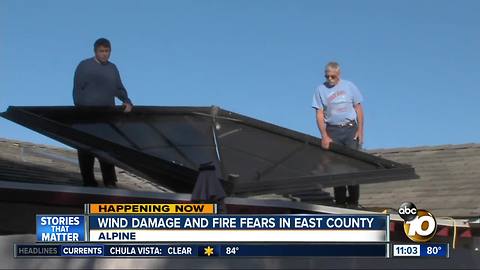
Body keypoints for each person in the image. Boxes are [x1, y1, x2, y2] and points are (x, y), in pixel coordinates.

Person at [72, 38, 133, 187]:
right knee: (86, 149)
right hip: (87, 116)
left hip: (107, 117)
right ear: (95, 51)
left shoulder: (112, 68)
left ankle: (110, 182)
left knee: (107, 150)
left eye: (107, 51)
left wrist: (127, 101)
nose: (105, 54)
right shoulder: (84, 66)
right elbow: (77, 90)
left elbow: (119, 89)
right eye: (102, 51)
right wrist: (81, 109)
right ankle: (88, 182)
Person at [312, 61, 364, 207]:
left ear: (339, 75)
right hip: (333, 130)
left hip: (350, 129)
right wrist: (324, 135)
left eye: (333, 77)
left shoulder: (349, 86)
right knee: (336, 169)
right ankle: (340, 203)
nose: (330, 80)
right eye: (327, 76)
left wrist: (360, 131)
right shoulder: (320, 89)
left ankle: (353, 202)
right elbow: (319, 113)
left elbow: (359, 108)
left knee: (353, 167)